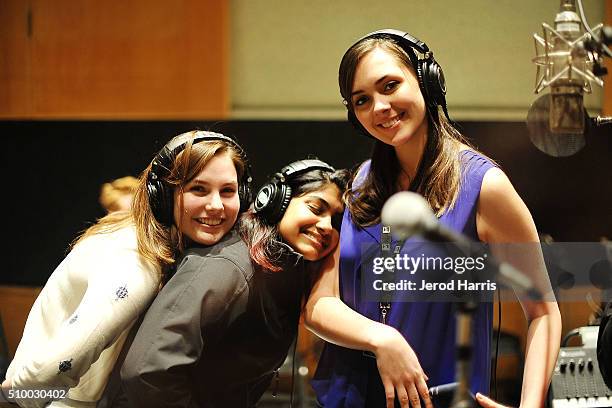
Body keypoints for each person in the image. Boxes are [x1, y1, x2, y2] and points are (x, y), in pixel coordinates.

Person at [304, 29, 562, 408]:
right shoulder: (361, 182)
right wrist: (383, 339)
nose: (379, 107)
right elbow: (319, 305)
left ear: (426, 81)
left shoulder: (483, 187)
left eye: (390, 85)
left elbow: (543, 312)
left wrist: (530, 405)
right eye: (362, 100)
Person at [0, 130, 252, 407]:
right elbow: (48, 373)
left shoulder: (146, 238)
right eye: (198, 189)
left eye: (227, 191)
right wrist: (16, 396)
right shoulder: (137, 265)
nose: (216, 205)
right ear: (164, 195)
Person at [98, 158, 350, 408]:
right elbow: (146, 371)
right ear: (275, 201)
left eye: (337, 221)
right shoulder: (229, 266)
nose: (327, 226)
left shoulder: (275, 272)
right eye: (316, 208)